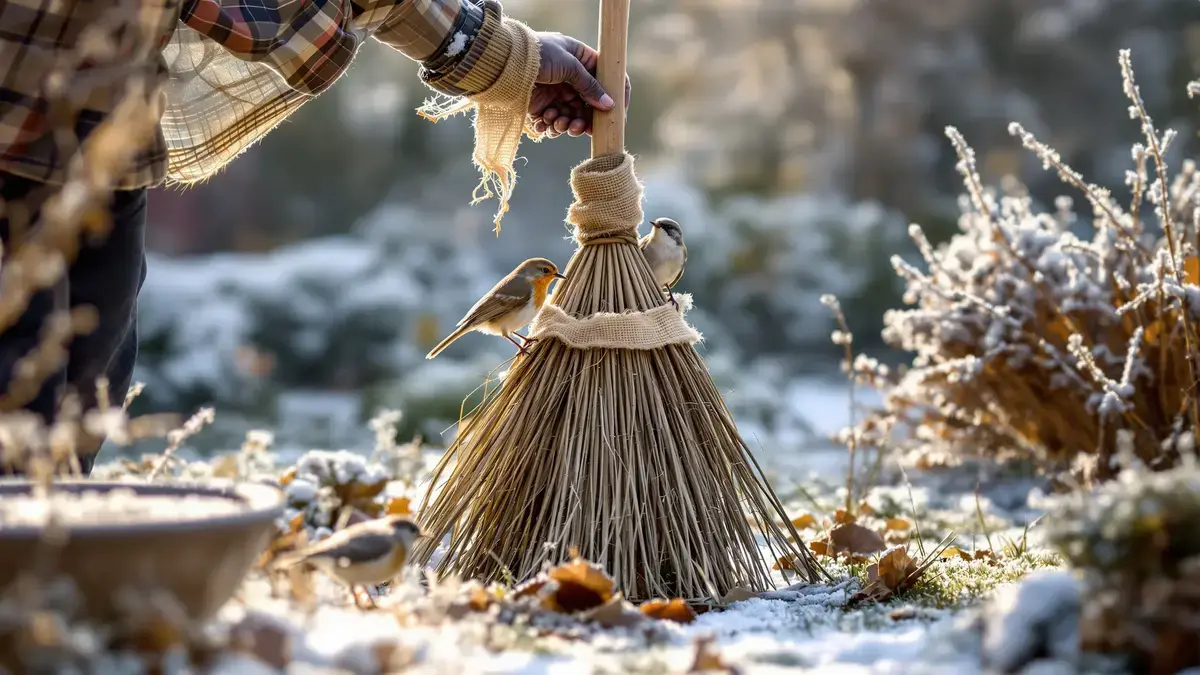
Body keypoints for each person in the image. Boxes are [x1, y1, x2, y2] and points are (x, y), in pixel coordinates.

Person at [0, 0, 630, 475]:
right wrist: (503, 59)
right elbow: (258, 21)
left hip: (106, 153)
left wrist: (505, 59)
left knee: (67, 429)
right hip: (24, 137)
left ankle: (44, 615)